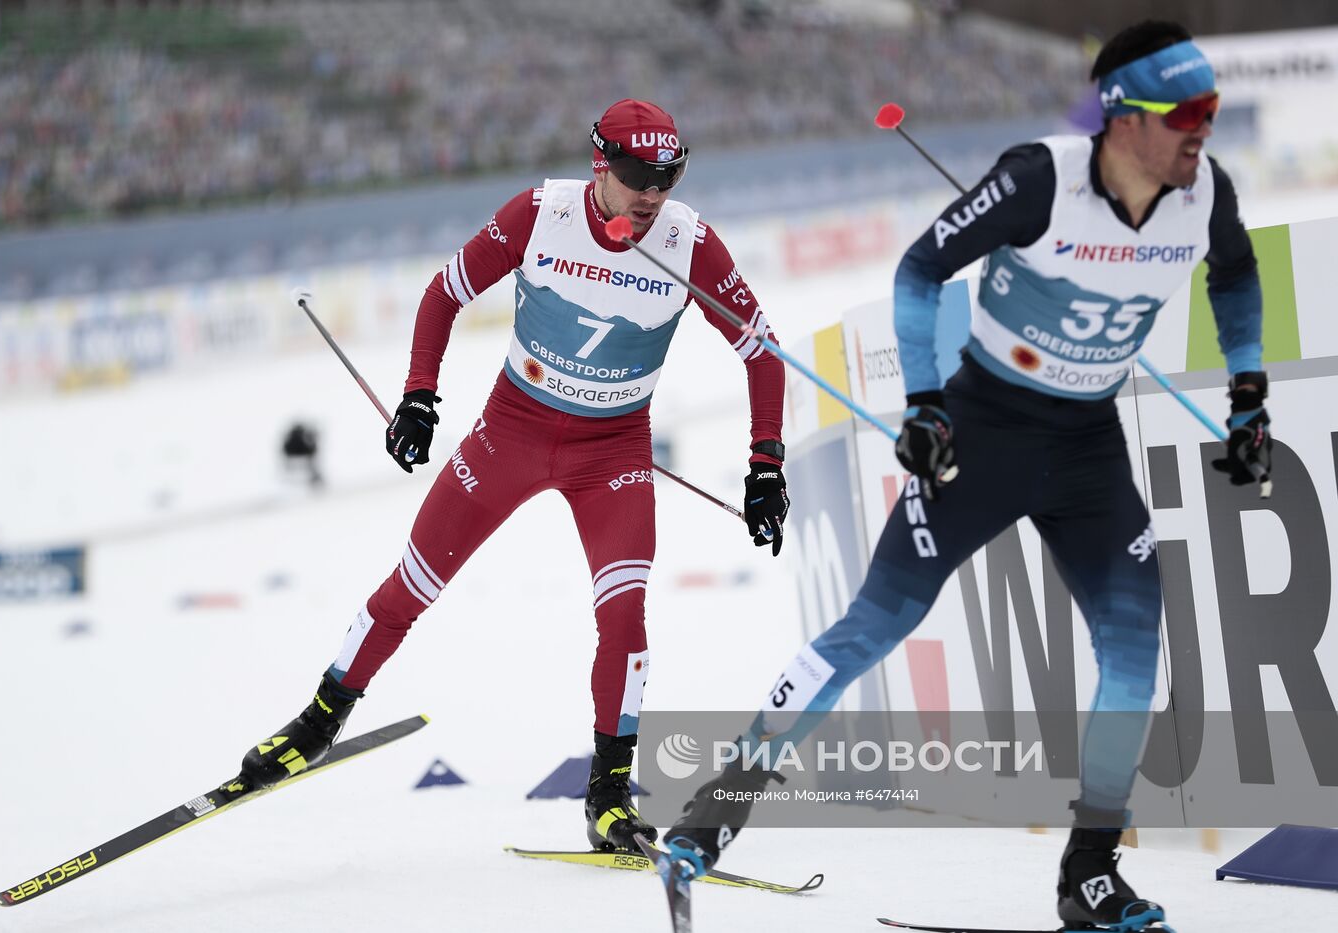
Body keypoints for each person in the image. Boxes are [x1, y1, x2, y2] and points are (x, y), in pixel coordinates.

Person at [662, 21, 1270, 933]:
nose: (1203, 131)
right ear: (1122, 118)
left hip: (1088, 448)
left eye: (1212, 110)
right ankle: (718, 808)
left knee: (1138, 651)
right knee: (879, 623)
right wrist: (925, 404)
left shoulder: (1204, 193)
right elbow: (919, 269)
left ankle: (1090, 872)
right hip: (984, 430)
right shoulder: (1040, 180)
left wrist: (1250, 391)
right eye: (1186, 113)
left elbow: (1237, 274)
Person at [232, 99, 789, 854]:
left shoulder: (688, 242)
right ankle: (317, 724)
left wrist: (765, 466)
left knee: (624, 617)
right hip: (512, 433)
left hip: (613, 455)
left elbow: (760, 350)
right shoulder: (540, 213)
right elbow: (443, 294)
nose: (654, 194)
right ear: (601, 166)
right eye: (637, 177)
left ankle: (609, 799)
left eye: (670, 176)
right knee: (411, 586)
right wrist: (419, 399)